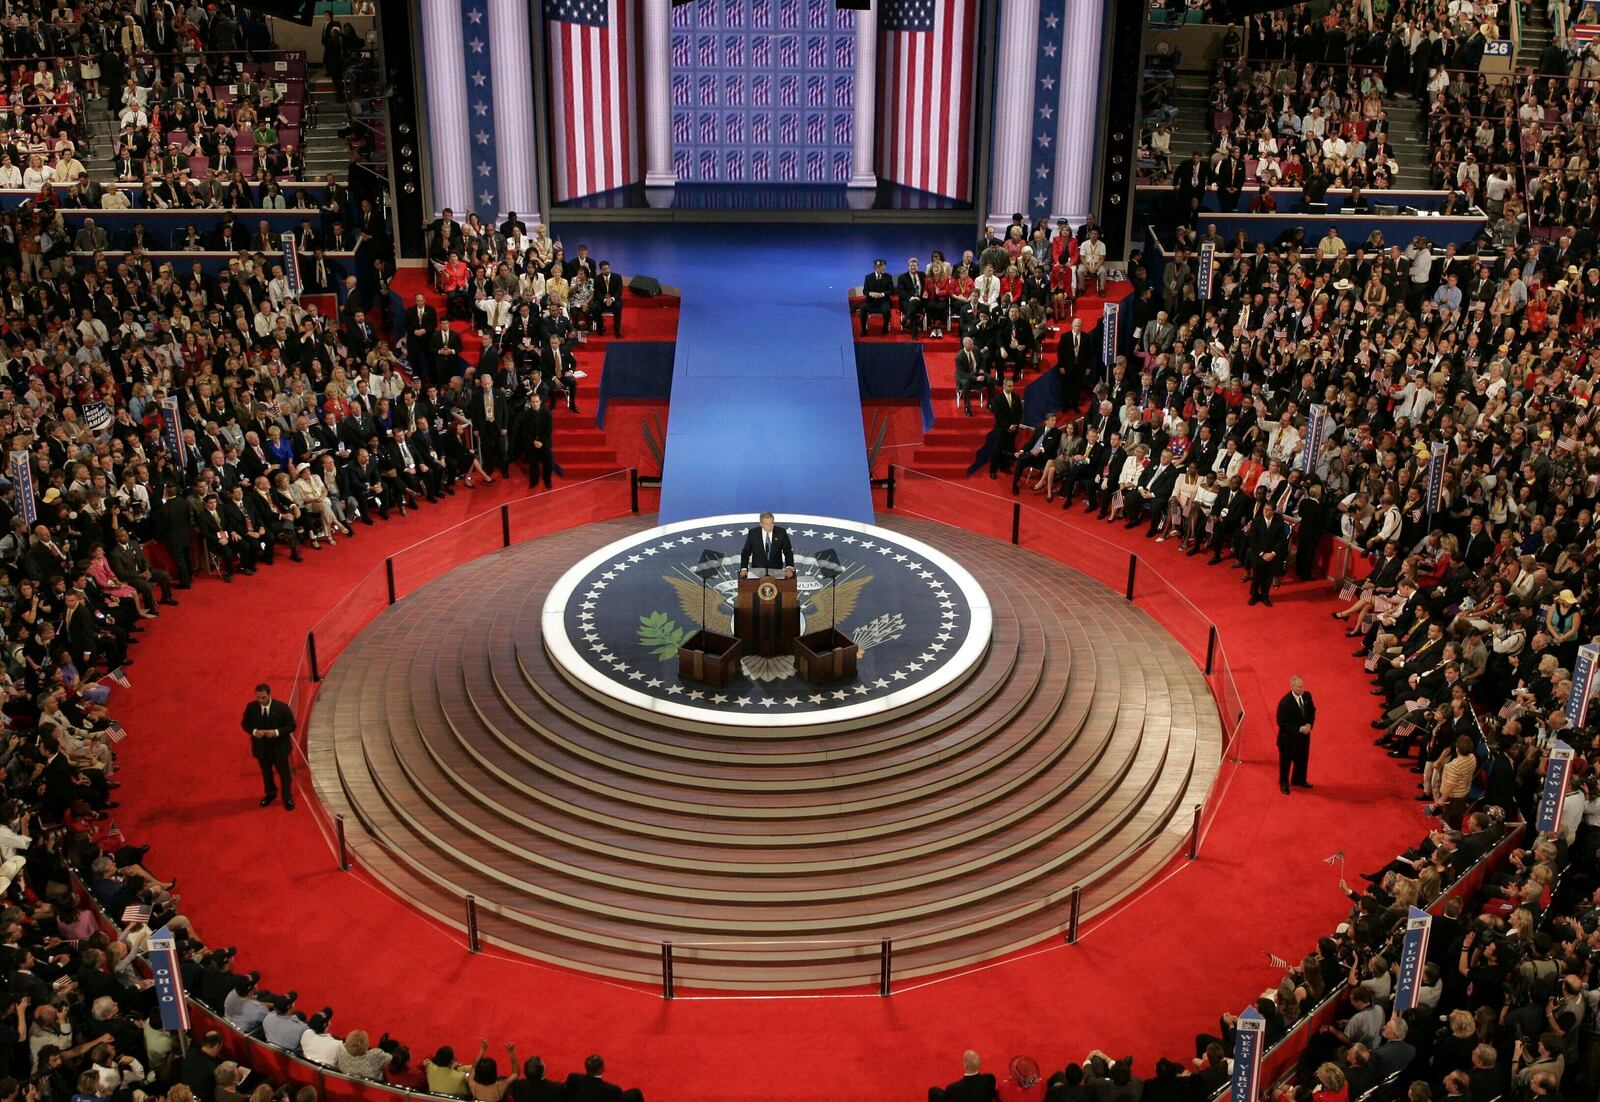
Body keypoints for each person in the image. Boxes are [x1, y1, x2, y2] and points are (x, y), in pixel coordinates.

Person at [240, 682, 296, 810]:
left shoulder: (282, 708)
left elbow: (292, 726)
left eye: (263, 697)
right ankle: (270, 794)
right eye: (258, 697)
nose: (260, 700)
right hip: (261, 749)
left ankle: (287, 797)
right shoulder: (251, 707)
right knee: (266, 773)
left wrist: (276, 732)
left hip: (279, 748)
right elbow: (245, 724)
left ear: (270, 695)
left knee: (284, 774)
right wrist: (254, 732)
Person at [1276, 675, 1315, 795]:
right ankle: (1284, 783)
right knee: (1286, 763)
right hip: (1288, 740)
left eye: (1303, 686)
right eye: (1299, 687)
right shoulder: (1285, 702)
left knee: (1302, 760)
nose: (1302, 689)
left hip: (1303, 738)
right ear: (1292, 687)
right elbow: (1282, 723)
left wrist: (1309, 724)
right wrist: (1299, 729)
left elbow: (1312, 711)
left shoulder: (1307, 696)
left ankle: (1299, 780)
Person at [1247, 500, 1290, 606]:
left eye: (1268, 510)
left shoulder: (1279, 523)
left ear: (1273, 511)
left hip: (1272, 555)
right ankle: (1254, 595)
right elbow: (1252, 539)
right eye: (1264, 509)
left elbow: (1282, 540)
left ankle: (1265, 596)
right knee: (1256, 576)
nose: (1265, 512)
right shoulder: (1257, 521)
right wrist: (1261, 553)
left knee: (1268, 577)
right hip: (1259, 554)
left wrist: (1273, 553)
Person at [739, 512, 794, 577]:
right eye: (766, 524)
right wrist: (744, 568)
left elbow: (788, 551)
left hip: (776, 570)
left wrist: (789, 567)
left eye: (772, 523)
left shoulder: (781, 532)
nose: (770, 526)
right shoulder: (753, 533)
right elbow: (746, 552)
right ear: (761, 524)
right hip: (757, 571)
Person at [934, 1050, 1000, 1102]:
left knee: (933, 1091)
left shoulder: (952, 1089)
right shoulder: (990, 1079)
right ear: (979, 1064)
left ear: (965, 1066)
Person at [859, 259, 894, 335]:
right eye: (882, 267)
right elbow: (865, 291)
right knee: (863, 308)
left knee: (886, 310)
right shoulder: (868, 277)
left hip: (884, 300)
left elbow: (891, 290)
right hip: (871, 301)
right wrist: (871, 293)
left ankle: (885, 326)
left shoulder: (888, 277)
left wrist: (882, 294)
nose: (884, 268)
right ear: (876, 268)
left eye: (884, 266)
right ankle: (863, 329)